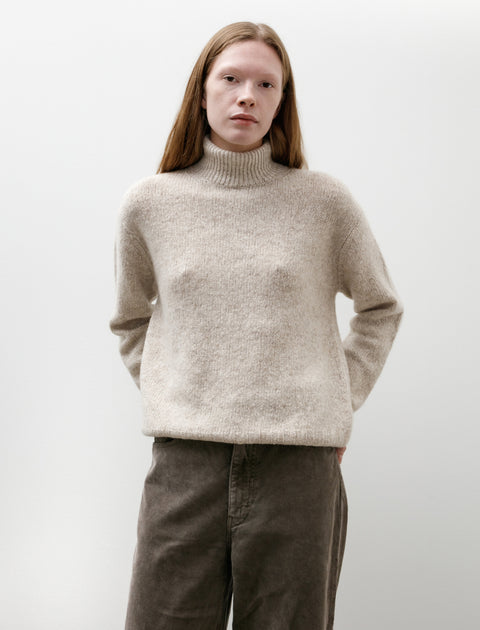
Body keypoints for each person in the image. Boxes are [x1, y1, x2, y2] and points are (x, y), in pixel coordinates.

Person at [109, 21, 404, 630]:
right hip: (185, 465)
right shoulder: (150, 203)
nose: (247, 95)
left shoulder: (324, 202)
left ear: (281, 101)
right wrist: (172, 387)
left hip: (297, 469)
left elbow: (380, 307)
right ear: (202, 92)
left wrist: (339, 397)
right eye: (232, 79)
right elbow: (130, 319)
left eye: (266, 84)